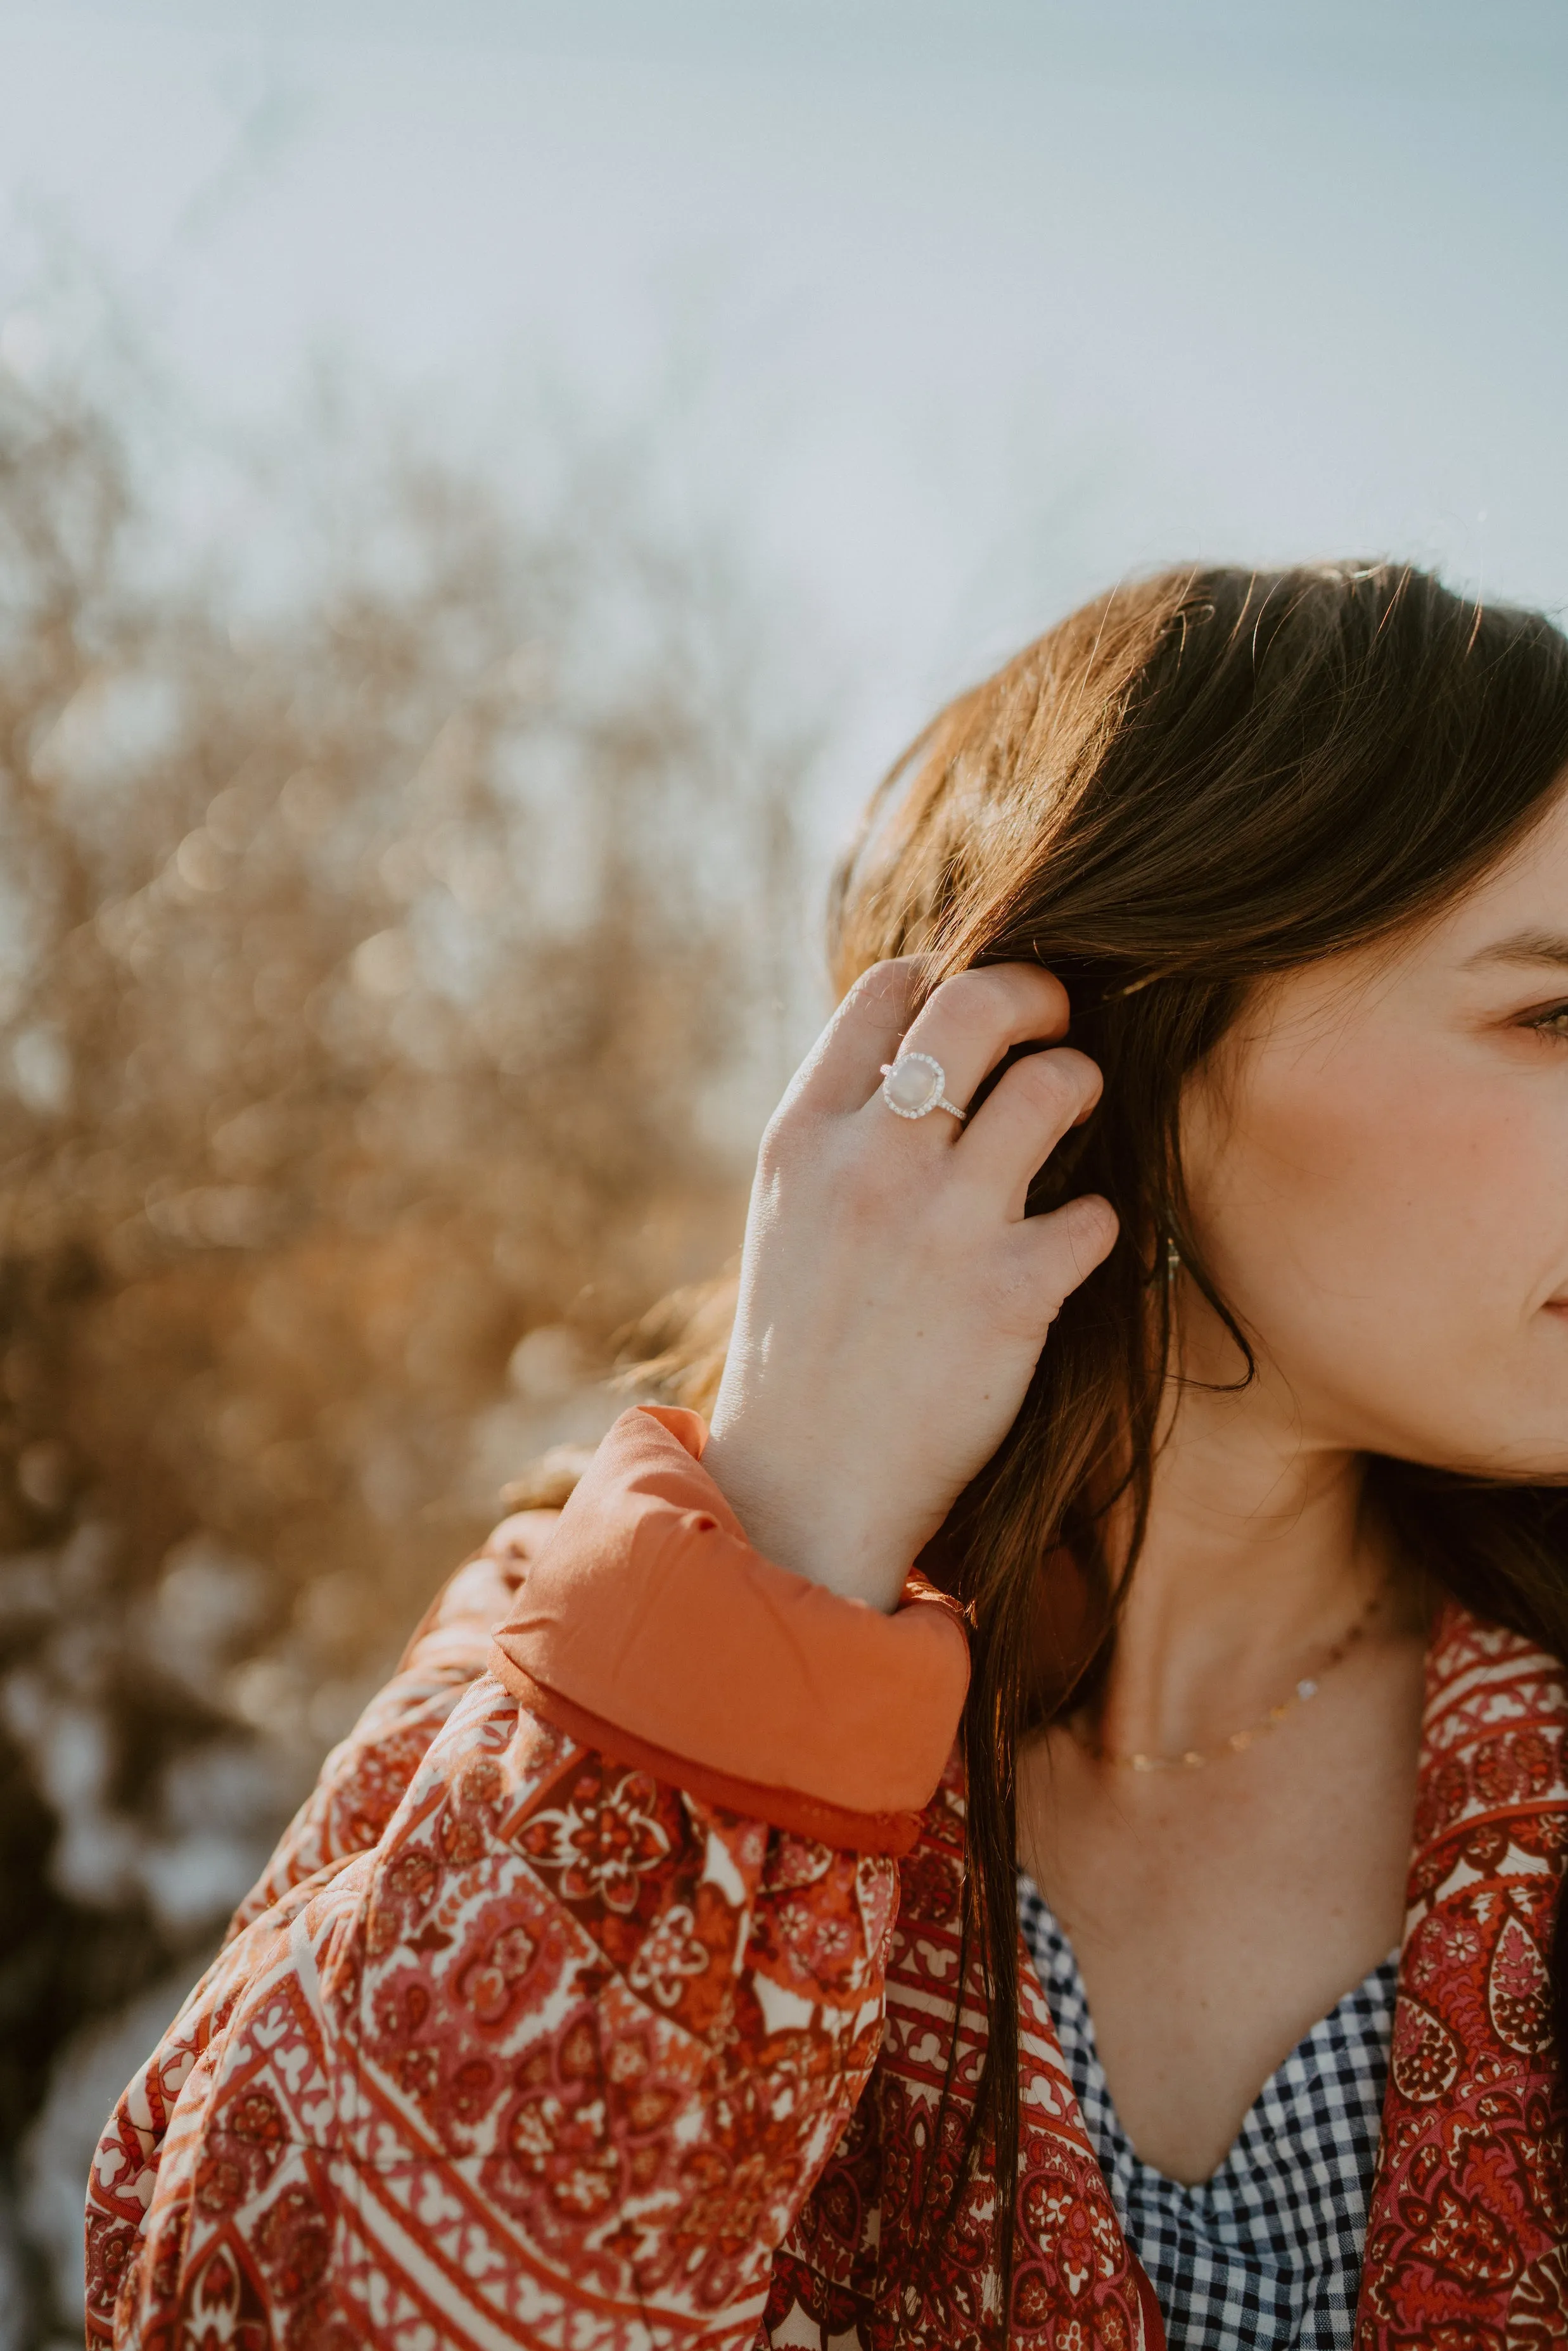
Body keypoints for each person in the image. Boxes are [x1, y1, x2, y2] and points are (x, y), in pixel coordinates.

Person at [87, 563, 1568, 2351]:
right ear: (1125, 1029)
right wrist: (784, 1532)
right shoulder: (588, 1652)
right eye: (1549, 1016)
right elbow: (251, 2303)